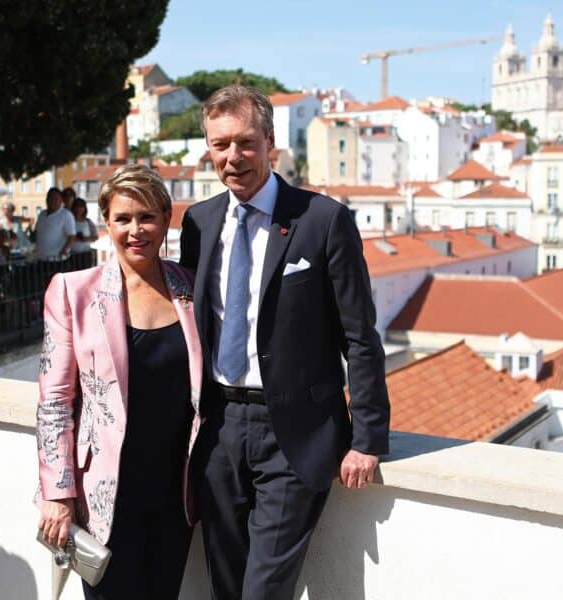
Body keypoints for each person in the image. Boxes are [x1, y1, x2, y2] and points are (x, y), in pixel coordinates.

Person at [180, 85, 390, 600]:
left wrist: (367, 438)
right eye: (220, 144)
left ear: (270, 142)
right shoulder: (198, 223)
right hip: (218, 430)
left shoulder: (322, 220)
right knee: (225, 586)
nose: (233, 157)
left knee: (263, 592)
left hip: (294, 435)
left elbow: (359, 336)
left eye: (246, 142)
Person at [37, 165, 204, 599]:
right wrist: (58, 494)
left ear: (166, 219)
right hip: (104, 499)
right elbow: (55, 402)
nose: (136, 230)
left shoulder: (190, 287)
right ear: (106, 222)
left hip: (176, 493)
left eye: (147, 217)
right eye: (123, 218)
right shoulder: (73, 291)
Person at [33, 187, 76, 259]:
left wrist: (64, 250)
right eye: (50, 198)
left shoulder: (66, 215)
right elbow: (37, 232)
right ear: (46, 200)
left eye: (55, 199)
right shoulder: (42, 214)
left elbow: (72, 236)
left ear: (61, 200)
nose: (52, 201)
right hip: (40, 258)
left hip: (57, 259)